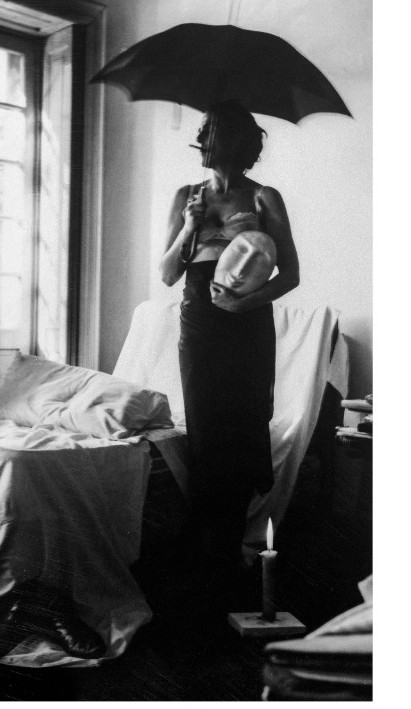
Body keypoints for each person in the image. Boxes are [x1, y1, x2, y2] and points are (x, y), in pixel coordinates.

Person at [158, 99, 300, 610]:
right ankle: (202, 560)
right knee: (205, 433)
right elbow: (167, 274)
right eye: (202, 130)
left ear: (236, 140)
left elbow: (291, 275)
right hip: (198, 326)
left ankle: (228, 556)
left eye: (212, 130)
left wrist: (245, 302)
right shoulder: (186, 196)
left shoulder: (264, 198)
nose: (203, 138)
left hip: (247, 328)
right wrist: (188, 227)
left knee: (241, 431)